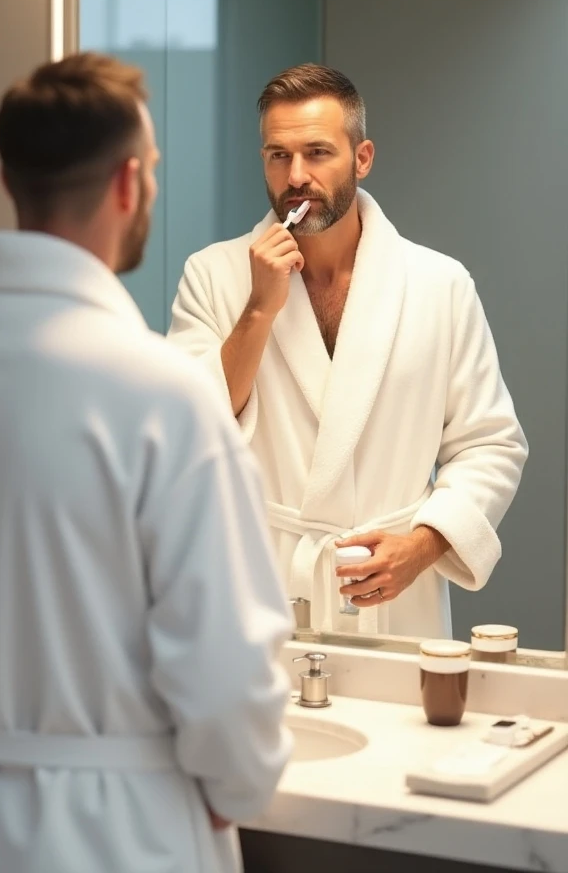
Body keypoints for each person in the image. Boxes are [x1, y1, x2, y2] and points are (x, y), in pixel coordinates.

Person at [0, 52, 292, 873]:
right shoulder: (161, 390)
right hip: (115, 833)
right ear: (129, 184)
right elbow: (225, 677)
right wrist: (235, 788)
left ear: (9, 179)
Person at [168, 63, 528, 638]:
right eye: (277, 156)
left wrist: (424, 545)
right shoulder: (214, 276)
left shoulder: (439, 284)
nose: (296, 175)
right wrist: (259, 309)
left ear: (362, 158)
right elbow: (188, 434)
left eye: (317, 153)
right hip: (260, 590)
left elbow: (490, 442)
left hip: (391, 594)